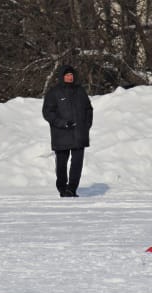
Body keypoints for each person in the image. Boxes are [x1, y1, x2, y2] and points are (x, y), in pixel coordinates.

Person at [42, 65, 93, 197]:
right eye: (67, 75)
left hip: (79, 134)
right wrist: (62, 123)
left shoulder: (80, 91)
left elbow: (88, 109)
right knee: (61, 164)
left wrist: (86, 125)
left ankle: (72, 189)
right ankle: (62, 188)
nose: (70, 77)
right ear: (62, 76)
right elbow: (47, 112)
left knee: (77, 164)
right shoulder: (54, 92)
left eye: (71, 75)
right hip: (61, 134)